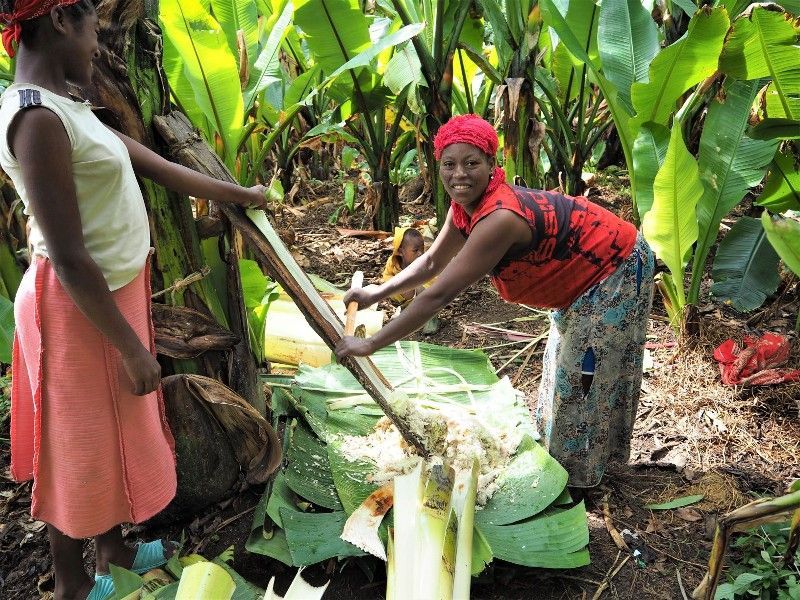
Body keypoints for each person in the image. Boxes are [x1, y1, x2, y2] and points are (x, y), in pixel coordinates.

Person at [0, 2, 269, 598]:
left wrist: (239, 193)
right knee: (75, 447)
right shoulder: (36, 119)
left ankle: (113, 549)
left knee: (112, 426)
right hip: (74, 308)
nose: (99, 46)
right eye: (95, 30)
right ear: (64, 21)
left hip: (108, 297)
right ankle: (74, 584)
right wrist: (130, 348)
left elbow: (150, 163)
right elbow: (68, 255)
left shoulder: (68, 106)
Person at [336, 114, 655, 489]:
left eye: (472, 163)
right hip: (581, 273)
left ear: (492, 166)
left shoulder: (499, 217)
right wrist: (376, 292)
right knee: (562, 363)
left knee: (584, 373)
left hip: (613, 266)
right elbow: (434, 262)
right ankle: (561, 458)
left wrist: (372, 343)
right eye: (449, 164)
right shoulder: (465, 207)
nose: (460, 174)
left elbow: (439, 293)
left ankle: (576, 481)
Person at [381, 227, 426, 303]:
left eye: (422, 248)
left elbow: (432, 282)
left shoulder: (424, 263)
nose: (420, 253)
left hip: (421, 296)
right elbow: (386, 275)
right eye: (415, 250)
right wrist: (398, 284)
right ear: (400, 251)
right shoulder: (393, 263)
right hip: (400, 292)